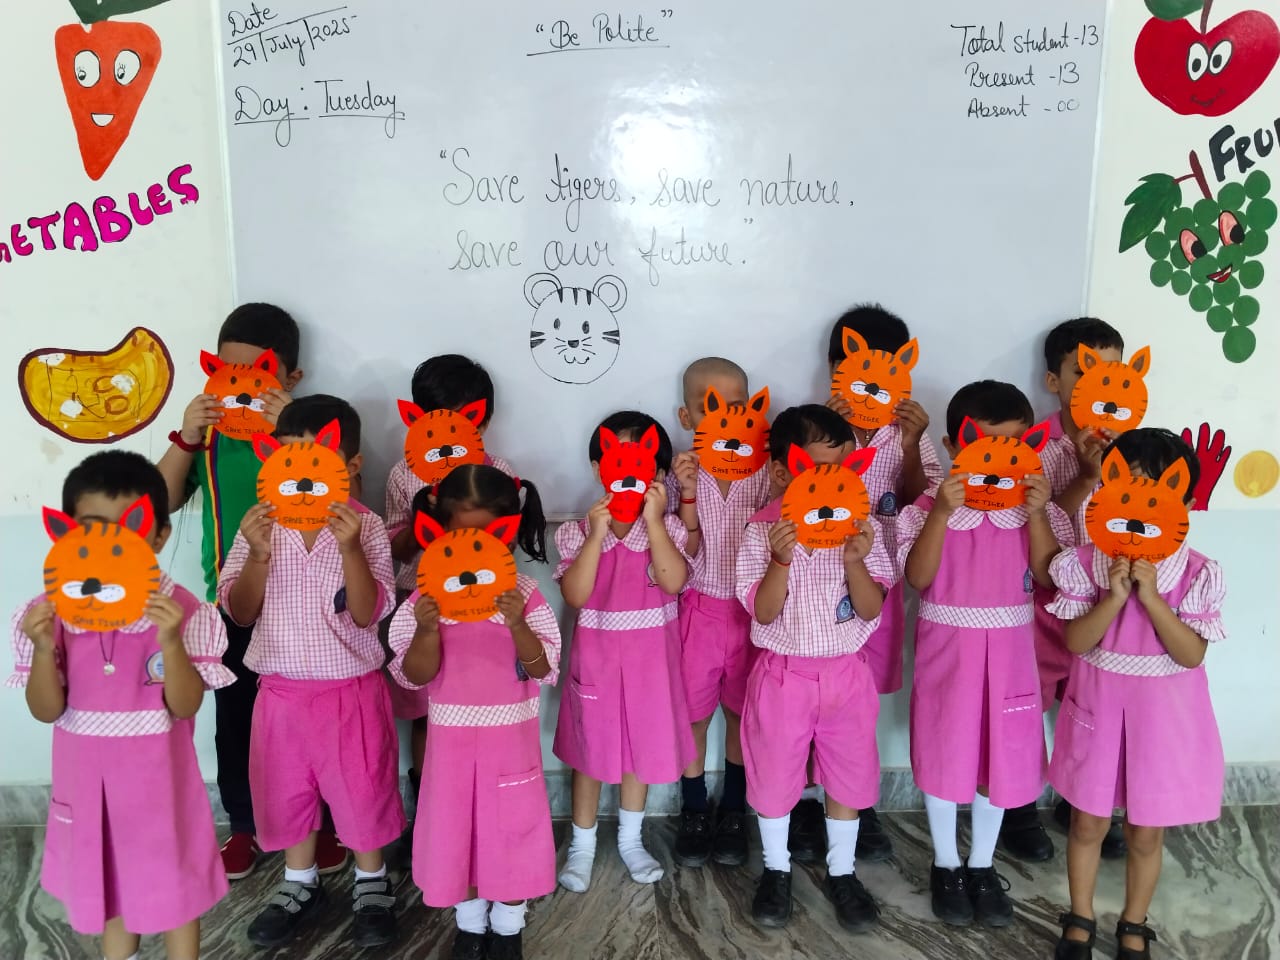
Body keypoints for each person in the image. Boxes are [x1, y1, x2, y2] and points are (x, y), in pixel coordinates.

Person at [10, 451, 235, 960]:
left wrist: (171, 642)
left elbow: (185, 705)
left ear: (158, 537)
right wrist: (43, 650)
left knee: (176, 892)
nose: (108, 546)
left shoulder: (182, 611)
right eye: (92, 529)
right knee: (108, 886)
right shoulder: (51, 614)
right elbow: (46, 710)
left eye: (127, 531)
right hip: (88, 790)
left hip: (161, 788)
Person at [156, 303, 346, 881]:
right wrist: (187, 436)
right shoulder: (211, 438)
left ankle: (325, 824)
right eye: (226, 373)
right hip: (233, 600)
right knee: (236, 718)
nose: (240, 387)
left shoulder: (311, 432)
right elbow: (159, 503)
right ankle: (244, 824)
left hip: (308, 604)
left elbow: (347, 495)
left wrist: (294, 435)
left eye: (258, 376)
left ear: (292, 378)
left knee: (316, 721)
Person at [218, 395, 402, 949]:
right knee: (285, 791)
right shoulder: (259, 527)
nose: (302, 476)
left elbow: (369, 613)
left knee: (362, 789)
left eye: (319, 460)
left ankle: (372, 882)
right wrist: (257, 553)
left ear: (351, 465)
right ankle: (299, 883)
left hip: (351, 691)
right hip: (279, 694)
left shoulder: (367, 527)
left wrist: (349, 548)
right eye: (288, 459)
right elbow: (240, 613)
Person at [898, 381, 1073, 928]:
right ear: (954, 446)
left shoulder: (1035, 511)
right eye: (984, 446)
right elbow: (918, 577)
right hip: (948, 653)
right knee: (946, 750)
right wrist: (941, 513)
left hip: (1013, 656)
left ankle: (981, 864)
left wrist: (1038, 514)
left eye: (1014, 446)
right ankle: (945, 864)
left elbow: (1047, 577)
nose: (999, 461)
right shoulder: (928, 508)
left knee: (1005, 755)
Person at [1049, 429, 1225, 960]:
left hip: (1164, 718)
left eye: (1158, 493)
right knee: (1087, 822)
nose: (1138, 508)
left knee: (1146, 832)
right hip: (1099, 707)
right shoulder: (1086, 562)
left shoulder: (1197, 572)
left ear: (1185, 502)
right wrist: (1114, 597)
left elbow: (1191, 655)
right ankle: (1080, 917)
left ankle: (1134, 921)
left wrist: (1152, 599)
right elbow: (1075, 642)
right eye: (1124, 489)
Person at [387, 465, 556, 960]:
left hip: (511, 750)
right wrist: (427, 630)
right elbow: (414, 676)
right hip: (451, 753)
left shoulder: (526, 596)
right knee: (454, 833)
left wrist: (517, 624)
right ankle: (469, 925)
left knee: (512, 836)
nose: (473, 552)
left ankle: (507, 927)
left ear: (508, 534)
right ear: (440, 532)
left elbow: (543, 667)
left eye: (488, 539)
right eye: (462, 537)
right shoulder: (428, 599)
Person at [736, 404, 892, 933]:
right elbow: (762, 612)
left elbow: (870, 609)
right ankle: (776, 869)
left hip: (846, 675)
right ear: (783, 473)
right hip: (782, 677)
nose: (832, 483)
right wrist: (779, 560)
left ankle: (842, 871)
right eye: (816, 470)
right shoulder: (761, 531)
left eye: (842, 470)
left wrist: (855, 560)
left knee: (848, 775)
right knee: (774, 776)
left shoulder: (861, 530)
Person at [1001, 317, 1130, 863]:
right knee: (1025, 705)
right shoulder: (1032, 446)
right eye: (1085, 370)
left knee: (1093, 708)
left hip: (1104, 604)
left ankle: (1081, 803)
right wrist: (1084, 474)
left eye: (1113, 371)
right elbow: (1031, 520)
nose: (1101, 383)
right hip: (1039, 601)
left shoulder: (1135, 449)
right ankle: (1018, 806)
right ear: (1054, 380)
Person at [819, 302, 943, 863]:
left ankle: (857, 803)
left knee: (859, 702)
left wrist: (912, 444)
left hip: (880, 583)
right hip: (816, 587)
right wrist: (830, 435)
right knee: (816, 691)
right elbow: (795, 487)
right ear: (835, 369)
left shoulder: (907, 434)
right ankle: (809, 802)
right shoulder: (816, 424)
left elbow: (922, 497)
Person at [553, 411, 694, 892]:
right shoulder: (578, 532)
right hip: (596, 664)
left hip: (652, 667)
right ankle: (582, 846)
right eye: (618, 460)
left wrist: (654, 523)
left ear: (658, 473)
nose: (631, 472)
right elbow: (576, 595)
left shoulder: (668, 529)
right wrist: (597, 535)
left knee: (640, 752)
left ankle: (632, 839)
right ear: (599, 467)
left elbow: (673, 583)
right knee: (590, 754)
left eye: (644, 463)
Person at [383, 354, 515, 832]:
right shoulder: (405, 473)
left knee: (479, 703)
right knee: (426, 709)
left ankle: (481, 807)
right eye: (438, 420)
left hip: (482, 610)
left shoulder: (497, 470)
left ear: (483, 421)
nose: (450, 433)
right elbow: (394, 548)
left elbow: (506, 545)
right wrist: (427, 515)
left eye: (464, 420)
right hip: (423, 605)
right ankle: (429, 813)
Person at [668, 358, 772, 868]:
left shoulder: (766, 473)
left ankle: (733, 807)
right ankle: (693, 806)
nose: (724, 418)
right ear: (686, 418)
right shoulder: (681, 475)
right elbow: (672, 547)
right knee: (692, 715)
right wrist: (684, 491)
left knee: (741, 712)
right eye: (708, 408)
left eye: (735, 407)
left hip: (754, 614)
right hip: (699, 610)